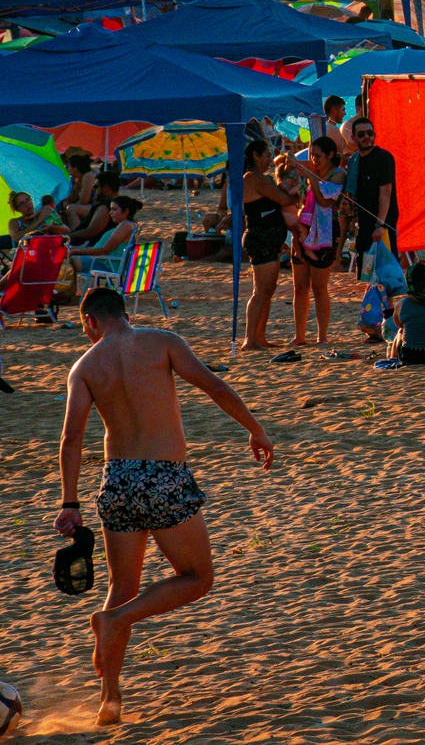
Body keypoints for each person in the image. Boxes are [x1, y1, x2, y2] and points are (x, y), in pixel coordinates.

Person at [55, 287, 275, 725]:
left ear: (93, 321)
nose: (85, 335)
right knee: (196, 578)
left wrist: (70, 501)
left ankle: (109, 700)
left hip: (117, 480)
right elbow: (213, 385)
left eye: (84, 328)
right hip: (164, 476)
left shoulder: (84, 367)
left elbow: (71, 438)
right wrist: (256, 429)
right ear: (122, 314)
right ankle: (116, 620)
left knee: (123, 582)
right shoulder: (162, 342)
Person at [236, 140, 298, 352]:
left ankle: (259, 337)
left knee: (267, 290)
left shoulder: (260, 178)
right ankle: (250, 339)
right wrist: (295, 193)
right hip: (260, 238)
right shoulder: (253, 178)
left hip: (267, 239)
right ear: (255, 155)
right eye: (266, 155)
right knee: (261, 291)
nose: (269, 160)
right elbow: (282, 199)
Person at [289, 136, 342, 346]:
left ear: (330, 155)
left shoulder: (338, 174)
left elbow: (324, 200)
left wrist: (310, 176)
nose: (314, 159)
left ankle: (322, 335)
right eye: (312, 155)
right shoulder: (311, 173)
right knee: (299, 287)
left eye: (318, 156)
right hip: (304, 230)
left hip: (325, 235)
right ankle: (299, 336)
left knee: (320, 287)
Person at [343, 115, 399, 270]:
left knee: (386, 272)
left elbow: (386, 193)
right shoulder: (355, 161)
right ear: (354, 138)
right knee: (366, 271)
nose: (366, 137)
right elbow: (352, 194)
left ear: (375, 135)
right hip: (364, 224)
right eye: (361, 134)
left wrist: (379, 224)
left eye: (369, 133)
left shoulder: (383, 157)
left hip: (382, 225)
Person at [73, 196, 143, 283]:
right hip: (108, 262)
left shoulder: (125, 226)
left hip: (106, 265)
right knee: (67, 259)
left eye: (114, 209)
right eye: (110, 209)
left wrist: (75, 251)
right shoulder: (131, 225)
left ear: (126, 211)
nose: (110, 213)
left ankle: (67, 294)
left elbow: (104, 250)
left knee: (66, 262)